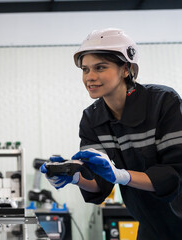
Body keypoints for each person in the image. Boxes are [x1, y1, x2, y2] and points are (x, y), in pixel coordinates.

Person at [40, 28, 182, 240]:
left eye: (100, 67)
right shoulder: (92, 118)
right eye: (85, 69)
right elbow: (99, 183)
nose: (90, 77)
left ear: (126, 69)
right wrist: (75, 176)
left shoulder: (163, 102)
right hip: (151, 225)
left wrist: (121, 175)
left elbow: (174, 175)